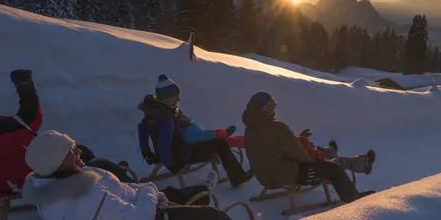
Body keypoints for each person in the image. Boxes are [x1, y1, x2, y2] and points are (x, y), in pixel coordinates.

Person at [22, 130, 250, 220]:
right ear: (57, 162)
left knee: (171, 193)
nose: (79, 153)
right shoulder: (84, 196)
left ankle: (198, 194)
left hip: (128, 214)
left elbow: (117, 192)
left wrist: (146, 191)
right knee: (212, 218)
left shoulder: (57, 188)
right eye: (72, 151)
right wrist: (149, 191)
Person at [242, 91, 376, 203]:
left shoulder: (250, 129)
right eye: (272, 104)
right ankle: (355, 198)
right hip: (283, 175)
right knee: (334, 167)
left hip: (265, 176)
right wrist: (320, 163)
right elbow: (299, 153)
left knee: (318, 152)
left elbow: (275, 149)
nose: (275, 106)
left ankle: (333, 152)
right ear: (265, 109)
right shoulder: (276, 128)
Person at [137, 74, 254, 188]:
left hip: (173, 152)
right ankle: (239, 178)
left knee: (205, 138)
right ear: (165, 99)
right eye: (175, 97)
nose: (178, 99)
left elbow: (142, 128)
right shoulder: (166, 118)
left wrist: (145, 150)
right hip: (180, 155)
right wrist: (172, 165)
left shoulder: (153, 112)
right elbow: (164, 143)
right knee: (220, 142)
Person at [296, 130, 375, 174]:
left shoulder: (286, 144)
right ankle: (365, 163)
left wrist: (301, 139)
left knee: (322, 151)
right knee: (341, 161)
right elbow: (314, 156)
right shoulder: (288, 143)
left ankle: (331, 150)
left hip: (302, 164)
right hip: (311, 168)